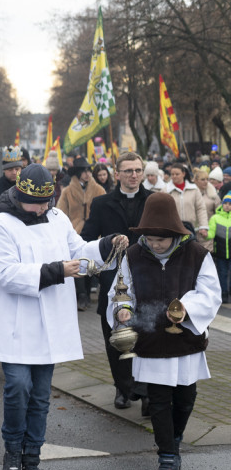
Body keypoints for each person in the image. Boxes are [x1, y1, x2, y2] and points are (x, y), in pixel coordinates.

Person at [0, 165, 127, 470]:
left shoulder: (57, 219)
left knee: (41, 396)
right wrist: (56, 271)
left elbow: (79, 251)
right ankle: (11, 451)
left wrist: (106, 246)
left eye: (47, 201)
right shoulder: (1, 224)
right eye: (36, 203)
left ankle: (32, 459)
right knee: (18, 387)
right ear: (19, 196)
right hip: (17, 323)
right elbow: (5, 273)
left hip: (49, 323)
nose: (42, 208)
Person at [108, 192, 220, 470]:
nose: (154, 244)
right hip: (150, 341)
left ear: (174, 234)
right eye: (150, 237)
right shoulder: (132, 256)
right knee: (157, 400)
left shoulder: (197, 254)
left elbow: (210, 293)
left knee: (185, 397)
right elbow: (121, 292)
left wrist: (188, 308)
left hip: (185, 341)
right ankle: (167, 458)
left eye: (161, 239)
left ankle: (176, 439)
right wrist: (123, 310)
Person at [81, 152, 152, 412]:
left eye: (138, 170)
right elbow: (86, 239)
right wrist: (108, 242)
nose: (134, 175)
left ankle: (146, 393)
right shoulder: (102, 203)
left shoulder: (154, 200)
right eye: (128, 170)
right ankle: (123, 388)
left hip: (147, 280)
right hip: (114, 283)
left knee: (146, 335)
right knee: (115, 336)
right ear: (117, 173)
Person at [57, 157, 106, 311]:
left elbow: (106, 210)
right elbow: (60, 212)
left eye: (88, 170)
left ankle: (97, 291)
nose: (87, 174)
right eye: (84, 171)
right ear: (77, 173)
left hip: (95, 229)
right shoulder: (68, 191)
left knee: (94, 260)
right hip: (75, 230)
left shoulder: (98, 190)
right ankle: (82, 294)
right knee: (76, 262)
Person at [165, 163, 208, 237]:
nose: (174, 176)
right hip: (172, 230)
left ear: (183, 174)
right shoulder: (166, 190)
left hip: (191, 229)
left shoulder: (194, 189)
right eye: (172, 174)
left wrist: (203, 226)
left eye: (177, 174)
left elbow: (200, 208)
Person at [207, 195, 231, 302]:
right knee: (222, 272)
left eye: (230, 204)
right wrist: (205, 234)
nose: (227, 206)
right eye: (225, 203)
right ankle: (224, 292)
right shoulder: (215, 218)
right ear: (222, 204)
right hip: (220, 252)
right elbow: (211, 234)